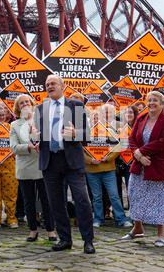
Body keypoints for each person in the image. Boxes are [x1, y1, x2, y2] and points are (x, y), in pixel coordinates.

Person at [34, 74, 95, 254]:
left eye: (53, 83)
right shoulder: (40, 109)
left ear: (63, 86)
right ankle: (65, 239)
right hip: (50, 161)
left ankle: (88, 241)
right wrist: (36, 139)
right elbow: (38, 133)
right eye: (47, 84)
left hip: (72, 161)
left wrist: (76, 133)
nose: (49, 86)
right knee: (56, 203)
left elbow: (87, 135)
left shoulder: (76, 105)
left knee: (82, 200)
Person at [121, 91, 164, 247]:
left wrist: (141, 152)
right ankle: (137, 228)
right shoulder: (141, 118)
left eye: (155, 100)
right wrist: (138, 155)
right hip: (140, 164)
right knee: (134, 194)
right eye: (149, 100)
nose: (151, 103)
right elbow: (132, 138)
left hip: (158, 165)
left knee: (160, 199)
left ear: (162, 104)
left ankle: (161, 235)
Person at [10, 94, 57, 242]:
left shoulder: (42, 121)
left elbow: (51, 139)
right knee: (28, 201)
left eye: (26, 102)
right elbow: (14, 147)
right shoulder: (14, 125)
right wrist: (28, 147)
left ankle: (51, 230)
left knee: (46, 200)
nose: (24, 104)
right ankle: (33, 230)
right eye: (21, 103)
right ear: (17, 108)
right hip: (24, 168)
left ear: (32, 103)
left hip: (42, 165)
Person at [84, 104, 133, 229]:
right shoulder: (86, 132)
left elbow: (118, 148)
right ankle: (98, 219)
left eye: (97, 117)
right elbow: (80, 151)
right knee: (96, 197)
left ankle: (121, 218)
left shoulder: (109, 130)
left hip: (108, 169)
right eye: (93, 117)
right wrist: (90, 160)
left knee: (114, 195)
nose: (96, 119)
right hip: (91, 170)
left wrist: (108, 158)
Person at [115, 105, 139, 210]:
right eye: (126, 112)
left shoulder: (139, 128)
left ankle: (133, 212)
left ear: (135, 114)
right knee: (117, 189)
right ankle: (119, 213)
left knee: (132, 188)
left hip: (133, 162)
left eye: (131, 112)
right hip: (119, 162)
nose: (128, 115)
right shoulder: (119, 128)